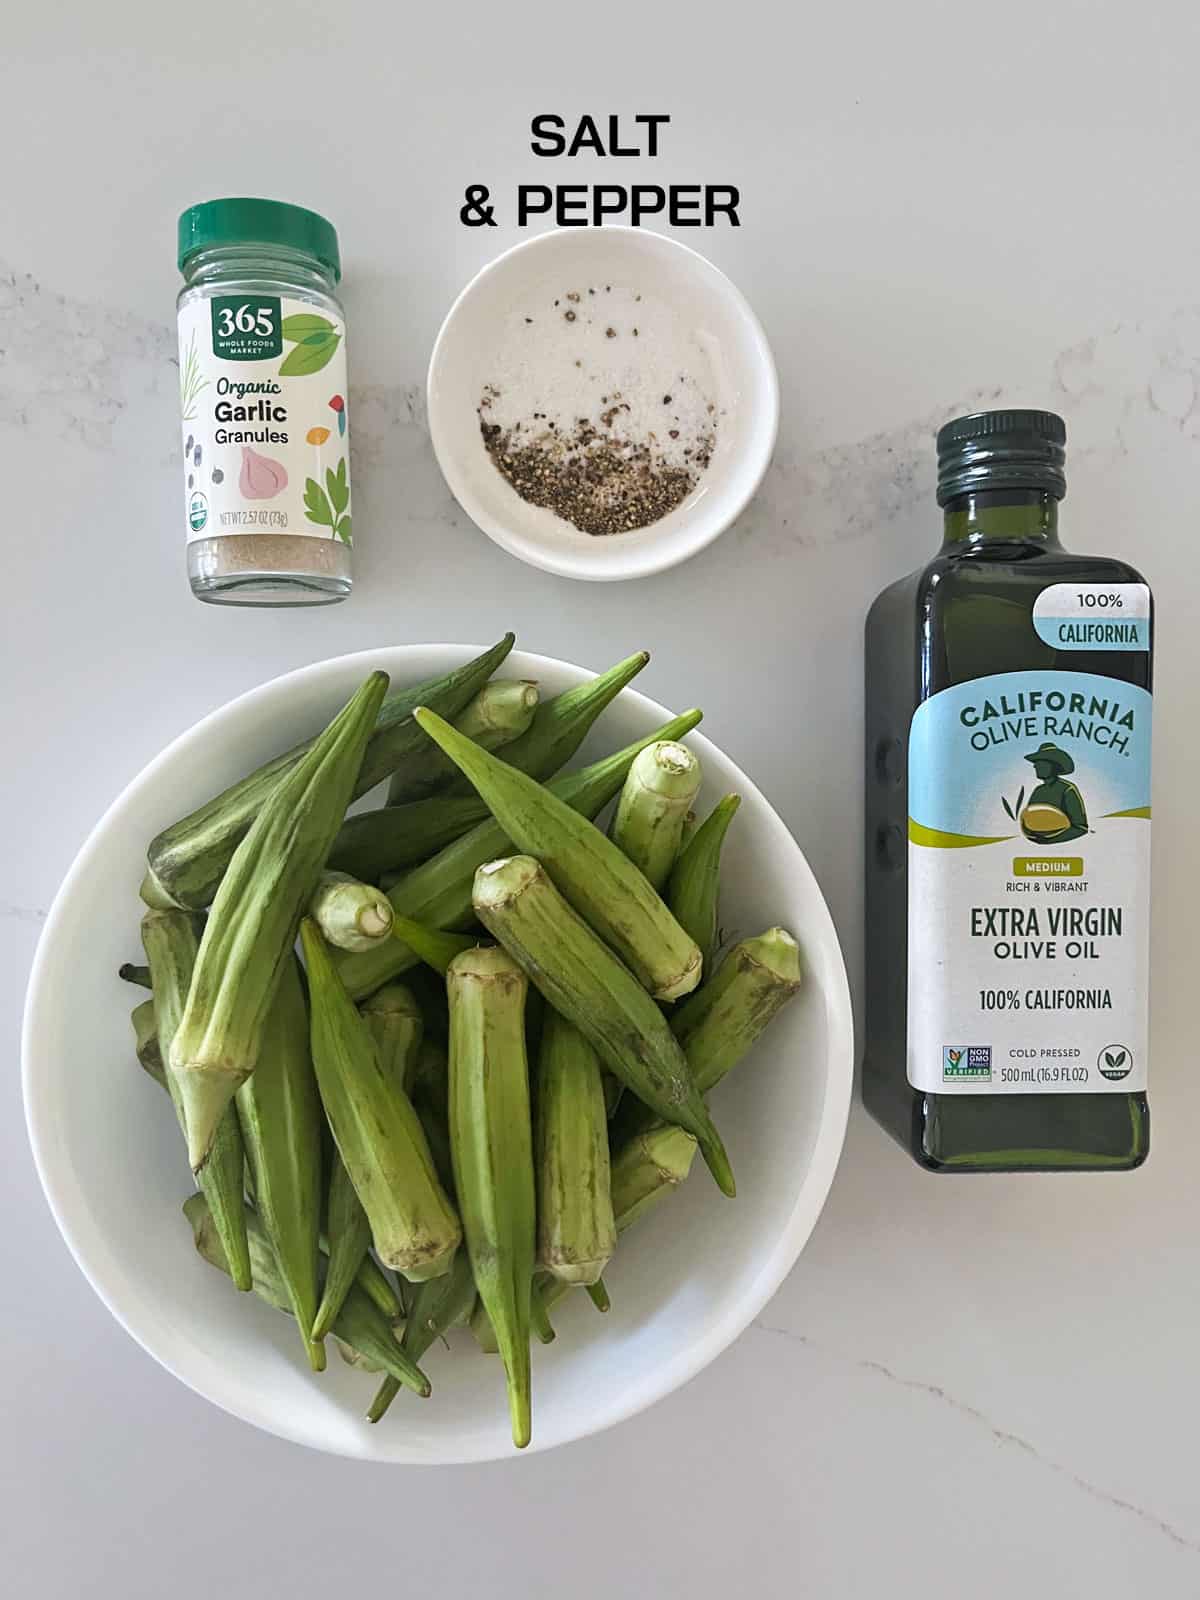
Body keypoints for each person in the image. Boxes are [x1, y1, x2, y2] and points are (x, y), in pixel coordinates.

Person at [1021, 742, 1088, 842]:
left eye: (1040, 762)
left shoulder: (1067, 789)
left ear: (1053, 765)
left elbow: (1081, 828)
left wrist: (1049, 840)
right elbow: (1029, 820)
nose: (1035, 766)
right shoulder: (1038, 791)